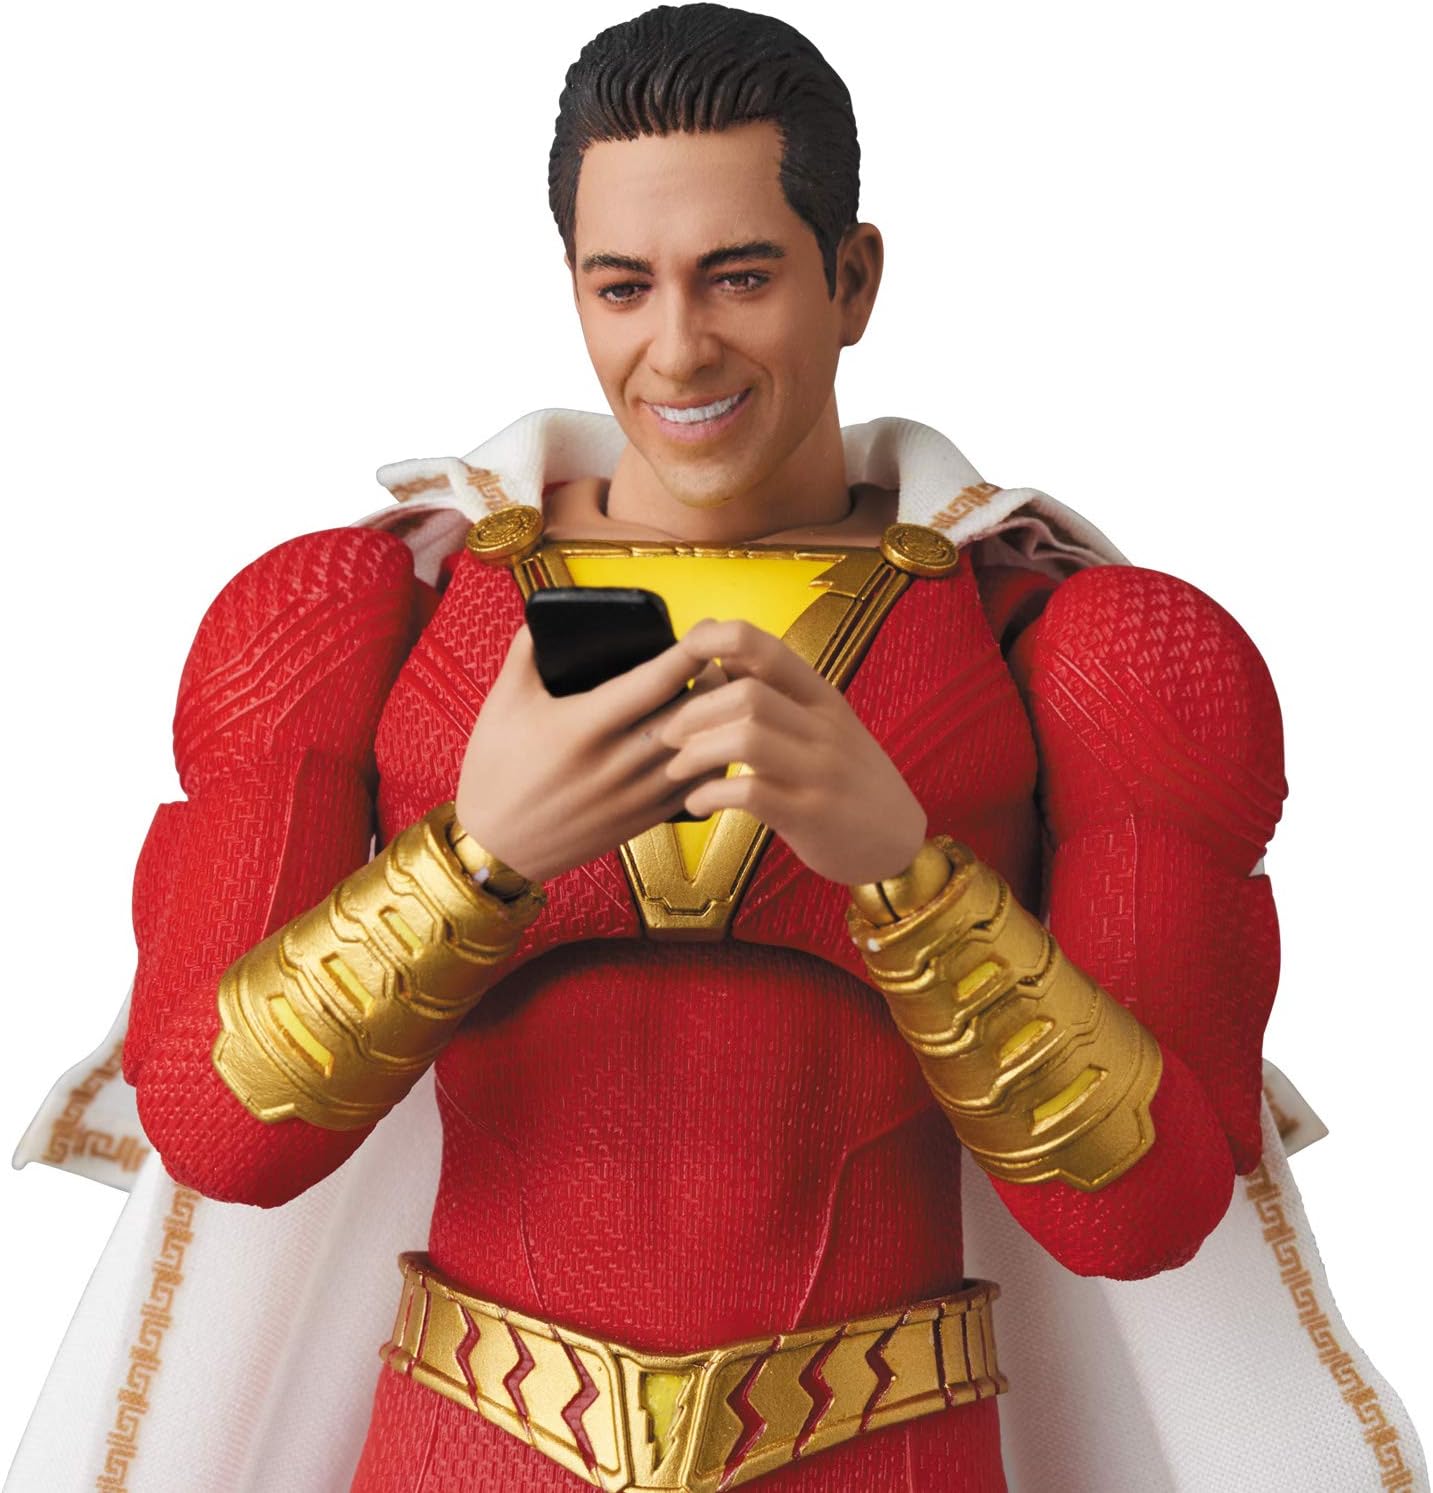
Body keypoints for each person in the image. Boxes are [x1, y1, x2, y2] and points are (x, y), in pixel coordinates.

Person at [6, 6, 1425, 1492]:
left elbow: (1142, 1210)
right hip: (466, 1445)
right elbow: (219, 1132)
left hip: (885, 1453)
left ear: (851, 277)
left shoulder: (1082, 647)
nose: (676, 348)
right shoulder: (358, 618)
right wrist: (473, 863)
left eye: (738, 276)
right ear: (573, 284)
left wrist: (904, 876)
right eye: (623, 286)